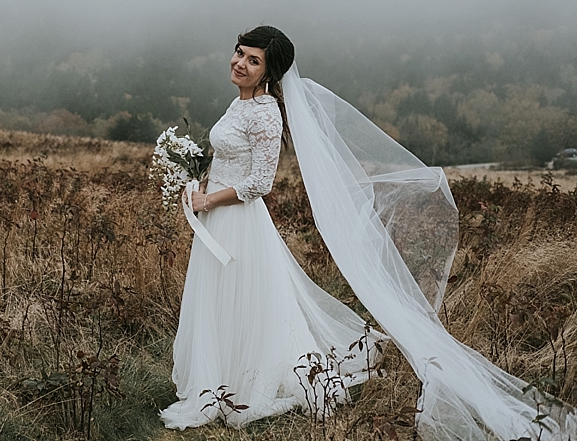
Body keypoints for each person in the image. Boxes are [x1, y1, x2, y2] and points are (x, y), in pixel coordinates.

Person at [160, 26, 576, 439]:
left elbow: (260, 183)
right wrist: (199, 180)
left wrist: (209, 201)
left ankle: (245, 379)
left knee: (243, 296)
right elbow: (229, 158)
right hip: (216, 213)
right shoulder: (238, 106)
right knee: (218, 295)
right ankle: (217, 373)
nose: (241, 63)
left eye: (254, 60)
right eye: (239, 53)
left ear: (270, 72)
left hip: (238, 221)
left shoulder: (266, 112)